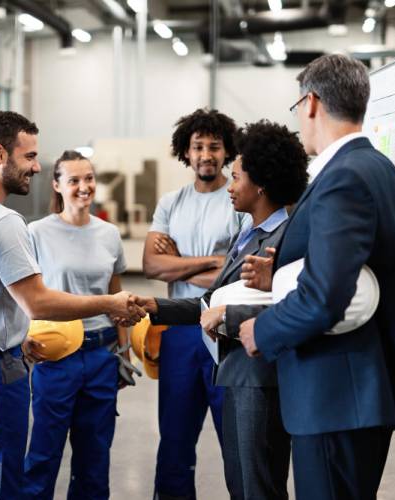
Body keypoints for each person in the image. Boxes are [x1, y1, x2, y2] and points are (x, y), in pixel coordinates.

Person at [238, 54, 395, 500]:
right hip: (355, 394)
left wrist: (262, 329)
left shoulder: (344, 178)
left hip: (336, 397)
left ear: (312, 102)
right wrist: (279, 276)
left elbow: (325, 297)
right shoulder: (378, 168)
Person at [0, 111, 144, 499]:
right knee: (5, 473)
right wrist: (110, 302)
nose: (36, 166)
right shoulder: (6, 223)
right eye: (30, 157)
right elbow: (36, 302)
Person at [134, 120, 308, 500]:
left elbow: (292, 306)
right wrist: (155, 306)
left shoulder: (285, 238)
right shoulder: (248, 232)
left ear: (259, 183)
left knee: (255, 482)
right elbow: (208, 294)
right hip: (230, 363)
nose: (230, 186)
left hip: (257, 372)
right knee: (236, 476)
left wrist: (222, 309)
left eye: (237, 177)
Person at [143, 108, 245, 499]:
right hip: (179, 332)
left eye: (214, 147)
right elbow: (152, 263)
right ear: (186, 151)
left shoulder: (237, 197)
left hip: (225, 332)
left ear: (226, 151)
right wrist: (210, 262)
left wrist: (178, 264)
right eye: (198, 146)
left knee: (235, 440)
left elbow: (236, 275)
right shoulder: (172, 202)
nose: (206, 154)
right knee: (175, 439)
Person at [23, 150, 132, 499]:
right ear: (57, 185)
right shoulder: (36, 233)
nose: (83, 187)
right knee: (44, 454)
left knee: (95, 458)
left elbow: (117, 299)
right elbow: (23, 295)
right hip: (55, 357)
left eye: (88, 179)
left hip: (102, 355)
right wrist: (22, 336)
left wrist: (125, 350)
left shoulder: (109, 234)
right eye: (74, 181)